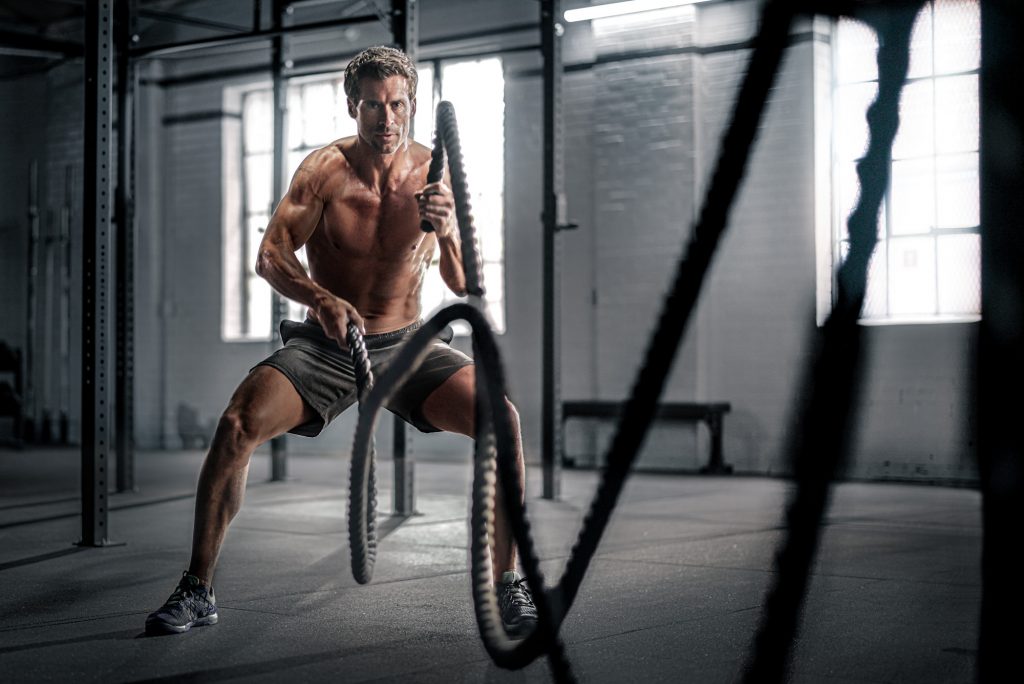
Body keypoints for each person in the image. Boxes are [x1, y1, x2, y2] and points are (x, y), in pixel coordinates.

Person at [146, 46, 537, 638]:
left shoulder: (435, 171)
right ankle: (197, 587)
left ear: (412, 104)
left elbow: (462, 281)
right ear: (353, 106)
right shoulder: (323, 172)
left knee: (501, 422)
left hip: (409, 343)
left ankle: (510, 584)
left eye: (399, 104)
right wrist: (319, 298)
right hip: (328, 343)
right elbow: (270, 254)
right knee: (236, 425)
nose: (388, 119)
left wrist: (451, 230)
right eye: (374, 106)